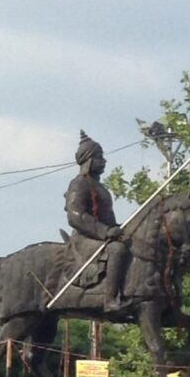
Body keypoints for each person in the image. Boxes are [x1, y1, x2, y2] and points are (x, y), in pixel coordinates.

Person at [64, 130, 128, 311]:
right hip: (84, 238)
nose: (104, 161)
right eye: (100, 157)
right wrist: (105, 232)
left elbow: (108, 217)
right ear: (90, 160)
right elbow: (75, 216)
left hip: (101, 235)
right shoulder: (78, 184)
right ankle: (110, 299)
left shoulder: (100, 187)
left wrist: (118, 229)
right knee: (117, 250)